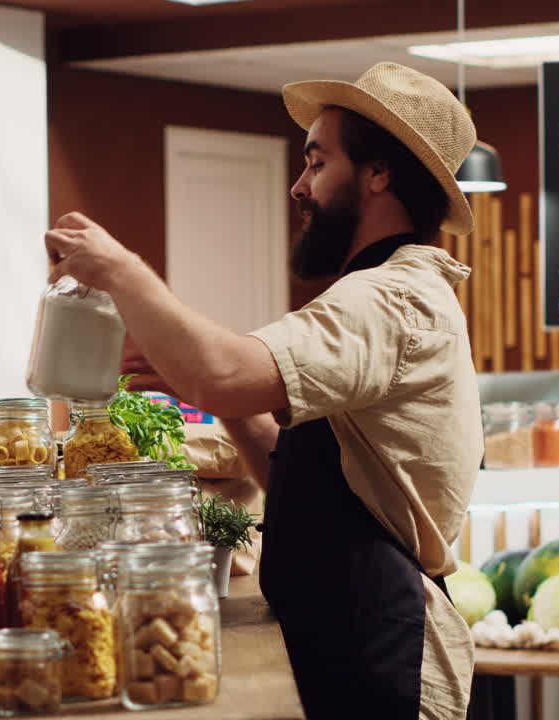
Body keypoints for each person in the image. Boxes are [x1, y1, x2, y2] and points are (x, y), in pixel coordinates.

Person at [44, 62, 482, 718]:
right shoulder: (383, 293)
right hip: (345, 636)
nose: (298, 186)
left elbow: (221, 371)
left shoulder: (391, 299)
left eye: (317, 163)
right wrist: (223, 404)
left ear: (378, 173)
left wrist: (121, 269)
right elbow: (310, 487)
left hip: (380, 649)